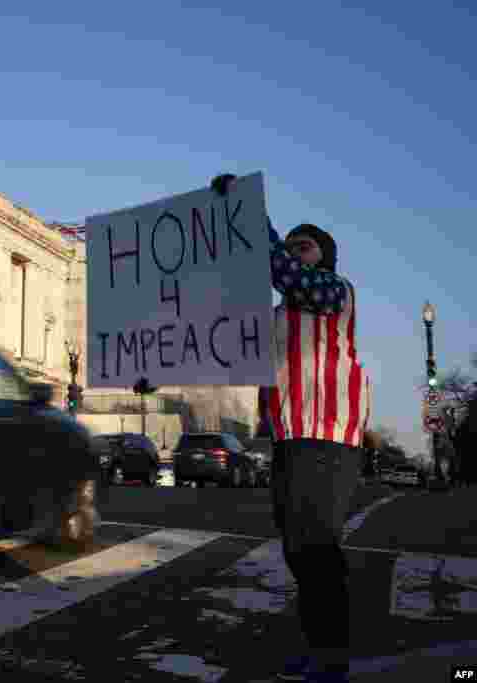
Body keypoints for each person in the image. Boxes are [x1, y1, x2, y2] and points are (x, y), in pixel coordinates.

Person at [213, 174, 371, 683]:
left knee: (315, 546)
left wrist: (251, 218)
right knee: (297, 548)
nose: (292, 251)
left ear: (322, 257)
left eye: (303, 245)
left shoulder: (332, 292)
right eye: (292, 245)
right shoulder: (278, 315)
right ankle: (320, 648)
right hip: (287, 436)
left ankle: (333, 658)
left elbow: (285, 272)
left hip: (325, 434)